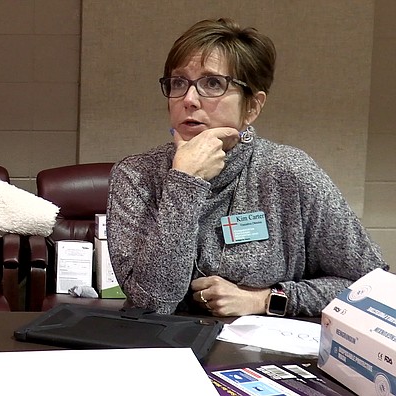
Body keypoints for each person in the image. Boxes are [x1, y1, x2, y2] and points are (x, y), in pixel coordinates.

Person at [106, 18, 388, 317]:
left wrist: (268, 300)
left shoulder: (289, 172)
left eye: (213, 83)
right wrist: (185, 182)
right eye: (178, 83)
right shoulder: (136, 175)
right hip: (163, 353)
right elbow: (152, 305)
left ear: (252, 107)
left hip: (267, 354)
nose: (188, 99)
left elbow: (371, 286)